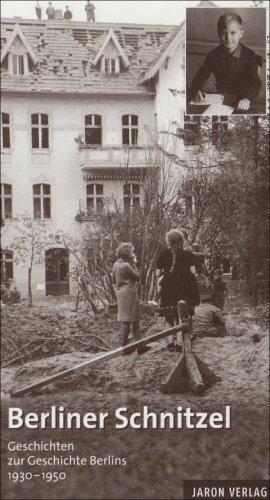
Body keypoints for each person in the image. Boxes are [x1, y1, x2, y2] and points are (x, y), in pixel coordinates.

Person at [190, 12, 262, 112]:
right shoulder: (213, 55)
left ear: (241, 33)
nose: (228, 38)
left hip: (244, 101)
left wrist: (247, 99)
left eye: (233, 33)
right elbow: (199, 78)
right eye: (224, 33)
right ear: (218, 34)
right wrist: (197, 91)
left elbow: (255, 83)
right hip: (221, 100)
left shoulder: (249, 56)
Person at [156, 229, 201, 351]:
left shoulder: (163, 254)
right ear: (182, 240)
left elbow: (158, 273)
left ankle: (170, 341)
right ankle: (182, 341)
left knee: (169, 315)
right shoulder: (189, 255)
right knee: (185, 314)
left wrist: (167, 271)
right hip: (185, 286)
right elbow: (193, 272)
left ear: (168, 241)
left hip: (169, 287)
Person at [112, 243, 150, 355]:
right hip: (130, 294)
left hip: (121, 293)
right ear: (128, 254)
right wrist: (134, 263)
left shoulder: (115, 264)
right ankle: (133, 347)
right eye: (132, 252)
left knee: (126, 320)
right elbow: (138, 277)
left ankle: (127, 347)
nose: (133, 254)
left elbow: (114, 279)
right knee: (134, 320)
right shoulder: (127, 265)